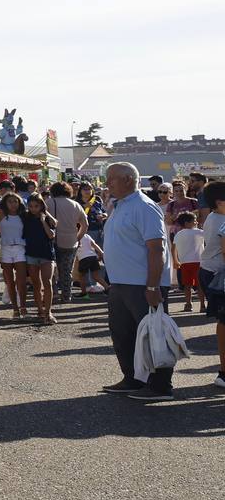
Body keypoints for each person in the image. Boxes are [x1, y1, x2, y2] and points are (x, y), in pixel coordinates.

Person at [99, 162, 176, 401]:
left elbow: (157, 248)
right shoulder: (119, 205)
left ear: (129, 180)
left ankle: (160, 385)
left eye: (112, 178)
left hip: (143, 284)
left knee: (153, 334)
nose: (107, 183)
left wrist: (153, 285)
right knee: (123, 334)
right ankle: (133, 378)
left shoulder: (144, 207)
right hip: (121, 283)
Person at [195, 181, 225, 390]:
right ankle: (223, 372)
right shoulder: (221, 220)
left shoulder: (215, 217)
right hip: (218, 275)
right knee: (224, 322)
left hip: (211, 272)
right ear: (220, 202)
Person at [46, 182, 87, 304]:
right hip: (71, 242)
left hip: (52, 241)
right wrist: (78, 237)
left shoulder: (48, 203)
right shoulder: (76, 205)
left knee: (51, 271)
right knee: (67, 271)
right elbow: (85, 224)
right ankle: (66, 295)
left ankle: (52, 294)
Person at [22, 194, 59, 325]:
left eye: (36, 206)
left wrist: (43, 220)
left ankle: (48, 312)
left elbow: (51, 235)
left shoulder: (48, 219)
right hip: (31, 254)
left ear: (42, 205)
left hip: (47, 254)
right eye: (31, 206)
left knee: (47, 282)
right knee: (36, 284)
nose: (33, 209)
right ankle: (40, 310)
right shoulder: (26, 217)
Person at [0, 193, 30, 319]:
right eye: (10, 201)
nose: (13, 204)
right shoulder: (1, 213)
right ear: (5, 203)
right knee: (9, 282)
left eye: (15, 201)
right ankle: (15, 309)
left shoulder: (24, 215)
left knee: (21, 281)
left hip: (20, 248)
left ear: (19, 202)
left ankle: (23, 307)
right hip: (5, 249)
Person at [172, 212, 204, 313]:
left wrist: (175, 260)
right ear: (187, 223)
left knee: (187, 285)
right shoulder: (199, 232)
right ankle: (202, 305)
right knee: (200, 285)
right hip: (199, 262)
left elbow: (173, 248)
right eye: (194, 220)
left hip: (185, 263)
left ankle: (188, 304)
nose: (196, 222)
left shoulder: (178, 234)